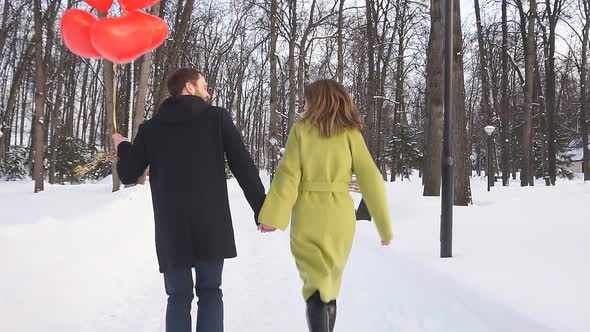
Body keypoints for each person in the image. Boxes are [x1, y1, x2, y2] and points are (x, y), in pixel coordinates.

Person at [112, 68, 266, 332]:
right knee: (210, 292)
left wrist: (123, 145)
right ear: (189, 87)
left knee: (178, 297)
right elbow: (243, 165)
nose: (209, 93)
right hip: (210, 224)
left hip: (172, 230)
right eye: (204, 86)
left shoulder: (150, 129)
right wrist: (262, 209)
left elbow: (128, 173)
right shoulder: (217, 118)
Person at [257, 79, 393, 332]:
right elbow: (370, 177)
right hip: (341, 217)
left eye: (307, 99)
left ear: (317, 101)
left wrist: (272, 217)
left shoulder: (301, 130)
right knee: (329, 285)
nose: (304, 103)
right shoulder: (351, 133)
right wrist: (384, 228)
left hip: (308, 216)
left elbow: (288, 175)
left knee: (315, 287)